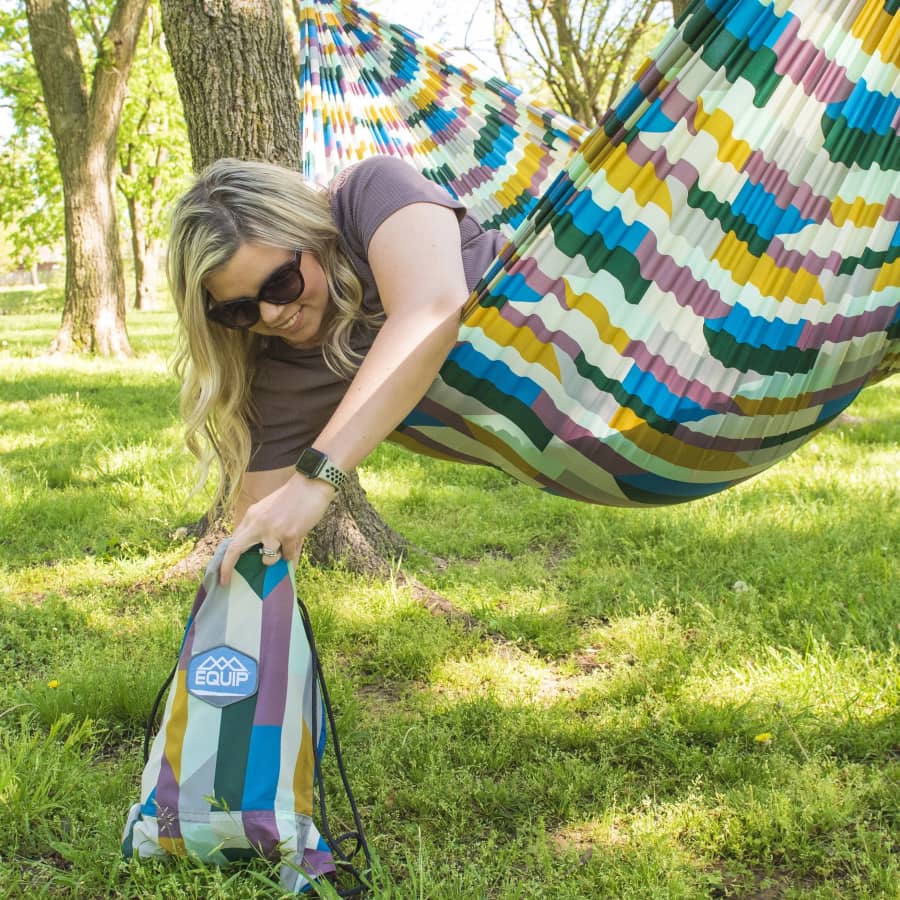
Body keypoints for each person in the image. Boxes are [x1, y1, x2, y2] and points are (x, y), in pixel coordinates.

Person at [168, 154, 506, 585]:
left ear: (311, 235)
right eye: (240, 310)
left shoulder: (371, 192)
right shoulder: (282, 381)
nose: (271, 314)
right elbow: (254, 550)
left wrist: (314, 482)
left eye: (280, 283)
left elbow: (431, 308)